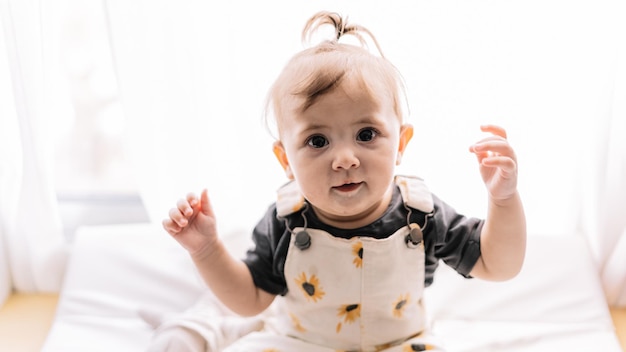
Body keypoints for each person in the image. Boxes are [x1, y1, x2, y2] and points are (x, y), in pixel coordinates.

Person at [161, 10, 526, 352]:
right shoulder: (286, 220)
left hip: (400, 344)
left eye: (366, 134)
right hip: (302, 342)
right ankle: (207, 329)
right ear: (286, 160)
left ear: (400, 144)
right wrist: (206, 250)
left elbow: (498, 265)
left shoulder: (422, 215)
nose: (346, 159)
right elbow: (249, 300)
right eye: (317, 141)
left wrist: (503, 200)